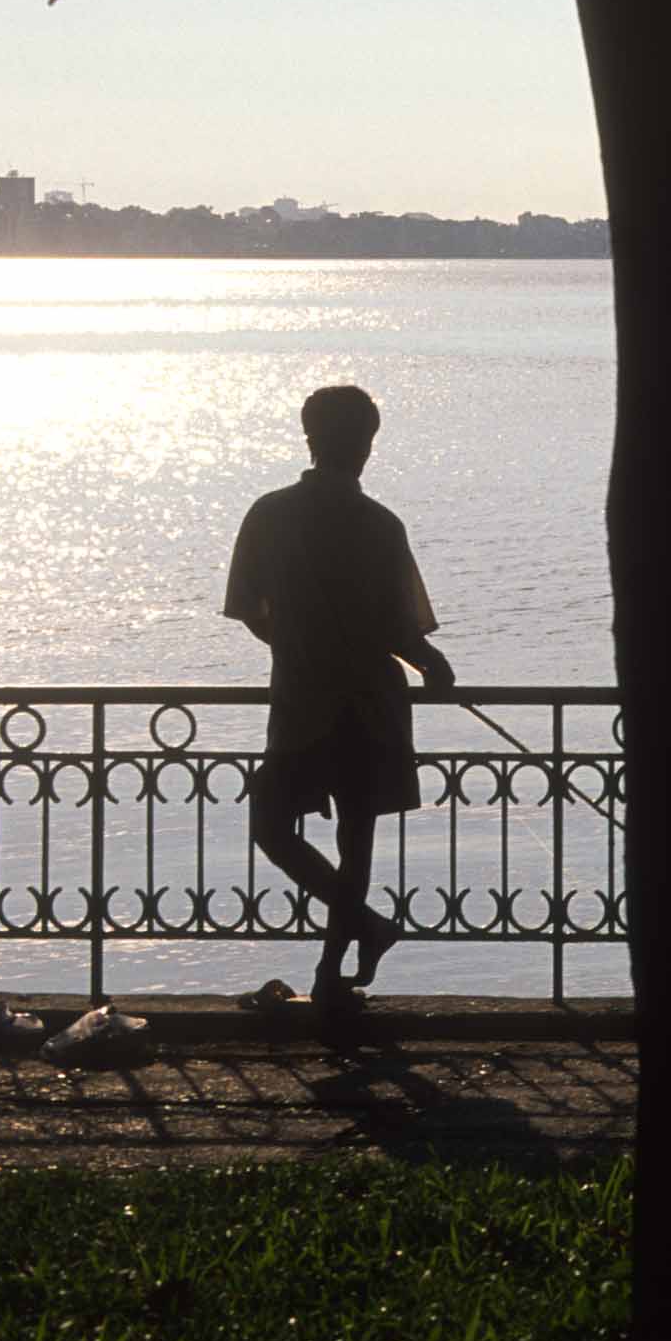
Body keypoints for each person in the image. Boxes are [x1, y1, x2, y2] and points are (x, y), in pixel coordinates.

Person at [223, 385, 454, 1003]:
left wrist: (292, 644)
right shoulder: (377, 524)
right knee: (352, 837)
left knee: (278, 826)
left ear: (309, 439)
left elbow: (248, 608)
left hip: (303, 695)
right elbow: (399, 630)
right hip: (368, 700)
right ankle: (359, 933)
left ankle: (336, 967)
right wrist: (432, 664)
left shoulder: (269, 513)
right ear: (364, 445)